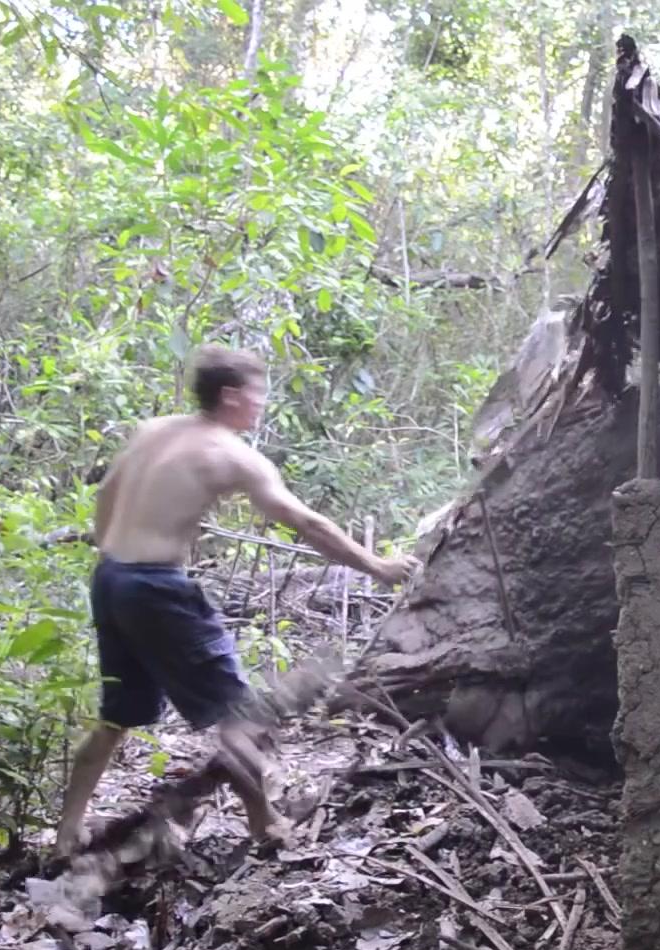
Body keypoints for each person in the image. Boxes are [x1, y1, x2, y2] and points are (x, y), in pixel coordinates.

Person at [54, 345, 418, 856]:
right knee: (238, 715)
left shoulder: (152, 432)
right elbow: (307, 524)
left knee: (117, 717)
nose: (263, 403)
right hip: (156, 588)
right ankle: (264, 823)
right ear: (229, 396)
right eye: (258, 392)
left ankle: (67, 830)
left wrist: (115, 548)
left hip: (110, 577)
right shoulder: (228, 455)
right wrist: (376, 566)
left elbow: (105, 498)